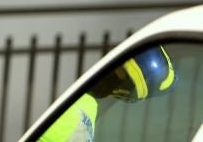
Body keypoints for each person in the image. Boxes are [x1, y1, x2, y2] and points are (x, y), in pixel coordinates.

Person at [39, 45, 177, 141]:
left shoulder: (68, 101)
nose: (112, 78)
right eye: (118, 71)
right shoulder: (85, 120)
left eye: (122, 80)